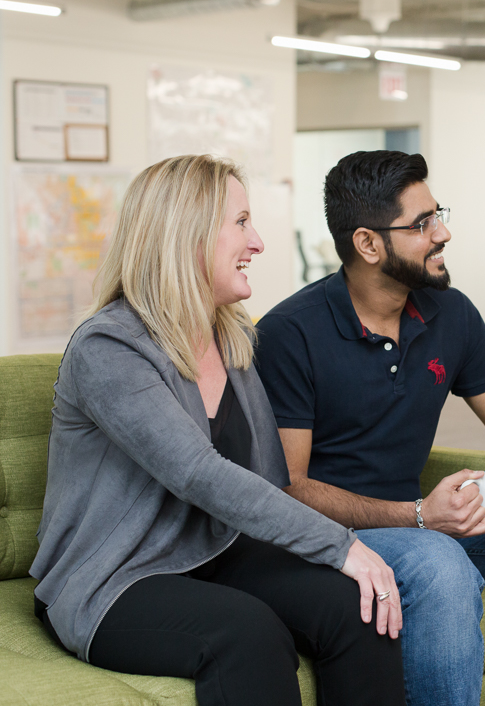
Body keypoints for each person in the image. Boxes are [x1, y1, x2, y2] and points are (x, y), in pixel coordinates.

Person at [29, 154, 405, 706]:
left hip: (215, 553)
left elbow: (269, 480)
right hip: (115, 578)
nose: (257, 242)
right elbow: (198, 473)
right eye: (241, 222)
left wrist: (337, 558)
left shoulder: (232, 340)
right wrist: (340, 544)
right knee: (247, 635)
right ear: (187, 233)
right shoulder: (109, 348)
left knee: (358, 607)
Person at [254, 150, 485, 706]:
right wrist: (420, 517)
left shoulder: (451, 313)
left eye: (438, 214)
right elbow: (290, 489)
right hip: (335, 541)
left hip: (423, 523)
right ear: (368, 244)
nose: (443, 232)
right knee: (440, 564)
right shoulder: (290, 333)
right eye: (422, 224)